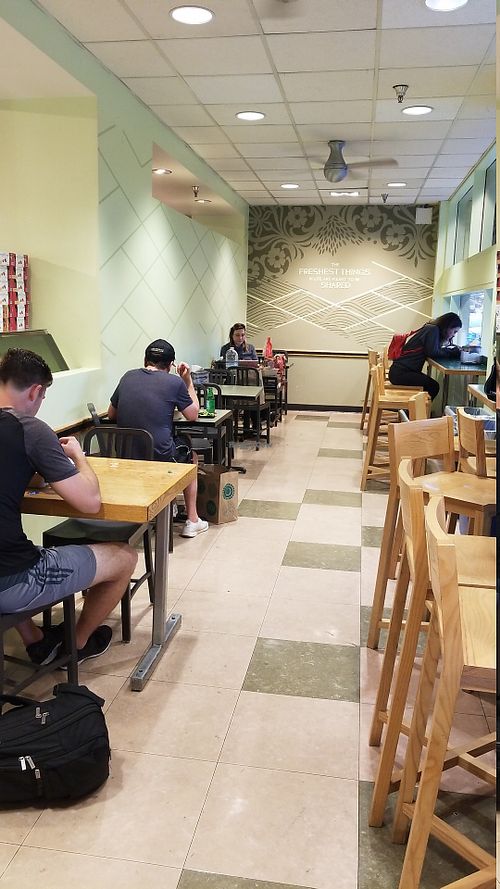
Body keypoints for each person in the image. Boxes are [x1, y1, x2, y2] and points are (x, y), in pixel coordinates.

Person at [0, 348, 137, 666]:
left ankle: (37, 641)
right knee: (125, 557)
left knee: (16, 547)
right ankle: (75, 644)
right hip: (10, 578)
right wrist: (79, 457)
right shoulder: (29, 430)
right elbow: (90, 503)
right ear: (36, 391)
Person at [108, 339, 208, 539]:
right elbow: (193, 414)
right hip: (159, 457)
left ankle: (164, 507)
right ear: (171, 365)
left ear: (145, 359)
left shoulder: (127, 376)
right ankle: (193, 521)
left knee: (173, 446)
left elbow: (111, 414)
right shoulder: (174, 382)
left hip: (126, 456)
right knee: (192, 456)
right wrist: (187, 381)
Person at [388, 312, 462, 400]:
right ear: (448, 327)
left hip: (398, 371)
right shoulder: (433, 330)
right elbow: (432, 352)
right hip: (401, 374)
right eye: (454, 331)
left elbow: (433, 350)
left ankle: (414, 411)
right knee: (433, 386)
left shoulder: (430, 327)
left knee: (431, 385)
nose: (453, 335)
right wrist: (452, 352)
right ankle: (416, 412)